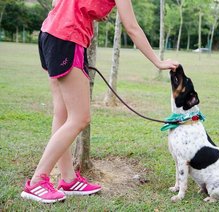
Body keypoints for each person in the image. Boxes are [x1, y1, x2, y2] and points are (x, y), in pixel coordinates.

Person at [21, 0, 179, 203]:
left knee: (62, 114)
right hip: (68, 37)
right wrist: (158, 61)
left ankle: (68, 178)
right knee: (80, 118)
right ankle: (37, 181)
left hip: (50, 33)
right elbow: (131, 27)